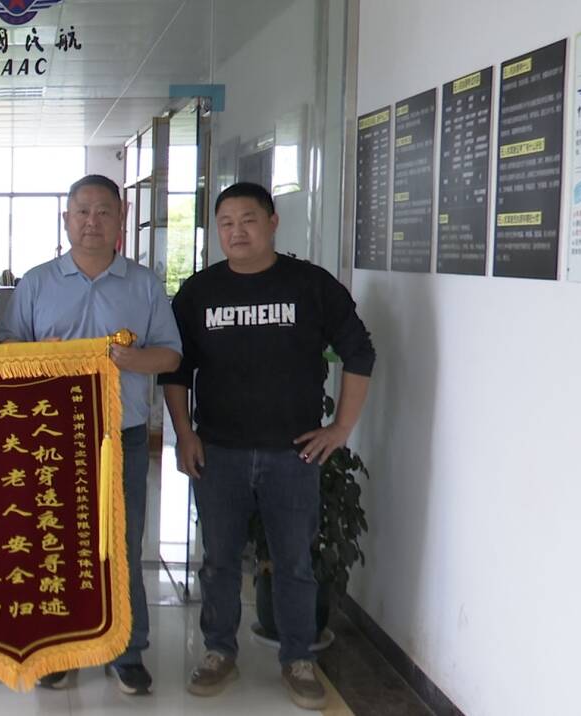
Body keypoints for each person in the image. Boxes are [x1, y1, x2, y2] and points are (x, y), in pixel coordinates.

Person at [159, 182, 375, 711]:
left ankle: (298, 659)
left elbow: (359, 352)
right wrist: (184, 433)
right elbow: (176, 369)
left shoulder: (310, 285)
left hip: (292, 454)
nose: (237, 231)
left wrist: (340, 429)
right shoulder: (199, 292)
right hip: (219, 452)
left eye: (248, 219)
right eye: (226, 223)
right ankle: (218, 651)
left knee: (294, 562)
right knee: (218, 561)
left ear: (273, 222)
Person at [0, 174, 182, 695]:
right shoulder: (36, 283)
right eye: (82, 211)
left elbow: (170, 355)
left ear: (121, 220)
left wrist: (132, 359)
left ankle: (127, 650)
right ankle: (58, 648)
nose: (92, 221)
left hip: (119, 437)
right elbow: (6, 351)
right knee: (54, 542)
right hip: (49, 438)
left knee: (120, 543)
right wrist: (42, 356)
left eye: (104, 211)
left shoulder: (144, 284)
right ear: (66, 220)